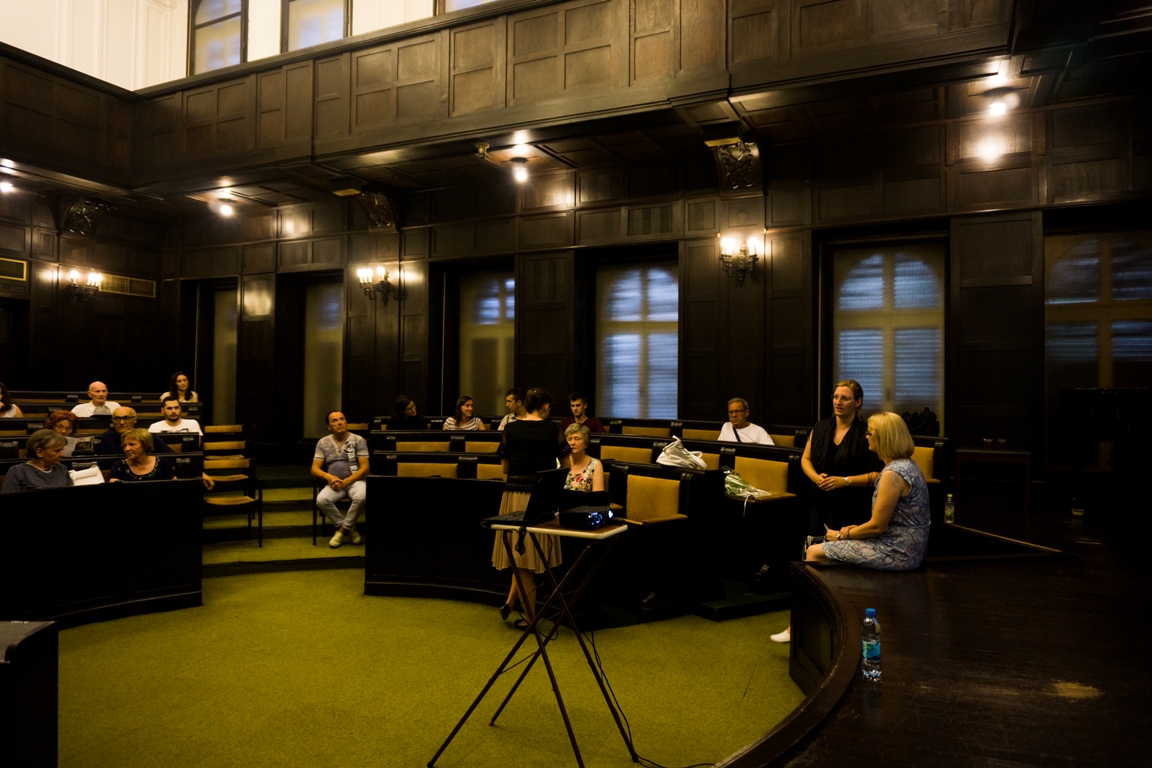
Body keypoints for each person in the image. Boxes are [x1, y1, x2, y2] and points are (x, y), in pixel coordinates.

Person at [771, 380, 881, 644]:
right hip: (819, 502)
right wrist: (815, 478)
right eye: (835, 397)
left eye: (845, 398)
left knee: (842, 570)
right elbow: (806, 459)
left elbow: (879, 474)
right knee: (812, 564)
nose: (838, 402)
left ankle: (844, 627)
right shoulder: (821, 427)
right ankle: (800, 625)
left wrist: (845, 481)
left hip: (852, 506)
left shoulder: (866, 432)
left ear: (858, 402)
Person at [804, 412, 930, 572]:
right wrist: (852, 531)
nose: (866, 437)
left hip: (897, 552)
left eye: (869, 433)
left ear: (883, 438)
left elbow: (877, 527)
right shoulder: (908, 464)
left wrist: (840, 535)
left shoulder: (892, 474)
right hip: (909, 547)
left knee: (813, 551)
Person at [493, 387, 569, 629]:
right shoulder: (553, 429)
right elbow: (565, 466)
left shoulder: (510, 429)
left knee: (519, 559)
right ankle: (530, 617)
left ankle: (528, 616)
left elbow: (505, 468)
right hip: (541, 497)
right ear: (546, 407)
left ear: (525, 405)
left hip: (515, 495)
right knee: (532, 558)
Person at [311, 411, 369, 548]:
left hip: (355, 481)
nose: (339, 423)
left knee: (362, 496)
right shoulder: (323, 442)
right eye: (335, 421)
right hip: (335, 483)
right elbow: (314, 469)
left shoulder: (358, 440)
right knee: (321, 500)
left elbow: (365, 468)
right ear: (329, 426)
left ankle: (342, 531)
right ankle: (350, 529)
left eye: (342, 419)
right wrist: (329, 477)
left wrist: (346, 482)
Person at [1, 429, 73, 493]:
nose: (63, 454)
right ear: (39, 452)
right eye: (57, 451)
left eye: (62, 450)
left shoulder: (62, 469)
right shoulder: (18, 471)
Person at [98, 407, 173, 455]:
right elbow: (105, 464)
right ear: (113, 421)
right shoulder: (107, 437)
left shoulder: (148, 437)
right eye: (117, 419)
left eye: (126, 418)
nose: (121, 422)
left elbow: (170, 455)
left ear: (135, 420)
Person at [109, 429, 175, 482]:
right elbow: (113, 491)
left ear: (145, 445)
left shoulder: (162, 464)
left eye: (132, 444)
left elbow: (174, 488)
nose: (127, 449)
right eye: (125, 445)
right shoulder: (119, 466)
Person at [563, 423, 604, 492]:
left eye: (577, 439)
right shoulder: (559, 461)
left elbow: (598, 497)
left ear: (586, 444)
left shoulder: (595, 465)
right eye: (569, 439)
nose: (572, 443)